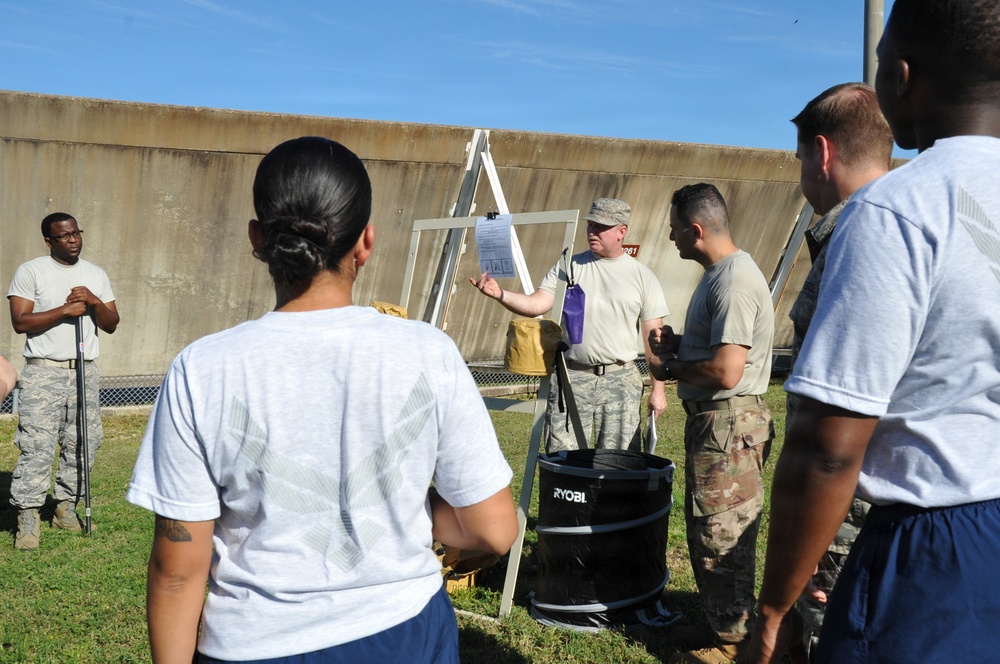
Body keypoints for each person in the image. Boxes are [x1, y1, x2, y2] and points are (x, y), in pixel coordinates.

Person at [126, 136, 519, 664]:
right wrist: (400, 513)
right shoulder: (429, 352)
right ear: (366, 243)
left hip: (255, 643)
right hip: (406, 632)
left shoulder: (201, 368)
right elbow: (493, 530)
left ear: (257, 240)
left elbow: (177, 572)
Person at [749, 1, 1000, 662]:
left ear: (903, 76)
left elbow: (827, 447)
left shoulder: (899, 208)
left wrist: (775, 609)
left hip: (933, 551)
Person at [785, 81, 893, 660]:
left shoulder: (861, 237)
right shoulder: (916, 224)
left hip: (845, 502)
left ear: (822, 153)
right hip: (872, 500)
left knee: (832, 622)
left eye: (802, 157)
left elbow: (834, 416)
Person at [647, 183, 774, 664]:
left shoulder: (734, 281)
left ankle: (733, 644)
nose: (671, 235)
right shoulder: (720, 275)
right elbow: (719, 354)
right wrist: (683, 345)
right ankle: (722, 622)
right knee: (708, 530)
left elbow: (726, 371)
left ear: (696, 230)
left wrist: (674, 368)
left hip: (728, 425)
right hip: (719, 425)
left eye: (676, 227)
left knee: (723, 533)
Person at [470, 197, 668, 452]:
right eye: (590, 224)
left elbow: (655, 338)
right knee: (563, 460)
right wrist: (500, 294)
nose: (592, 231)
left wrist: (658, 389)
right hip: (571, 378)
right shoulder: (569, 266)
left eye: (601, 226)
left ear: (622, 232)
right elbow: (537, 304)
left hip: (621, 381)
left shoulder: (642, 276)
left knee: (618, 464)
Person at [7, 212, 119, 550]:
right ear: (49, 240)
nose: (73, 240)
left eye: (76, 233)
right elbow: (20, 321)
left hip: (84, 369)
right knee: (37, 444)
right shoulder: (31, 271)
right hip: (44, 371)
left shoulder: (95, 274)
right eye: (64, 236)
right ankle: (28, 516)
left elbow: (111, 323)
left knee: (83, 441)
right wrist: (63, 311)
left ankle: (66, 507)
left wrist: (94, 302)